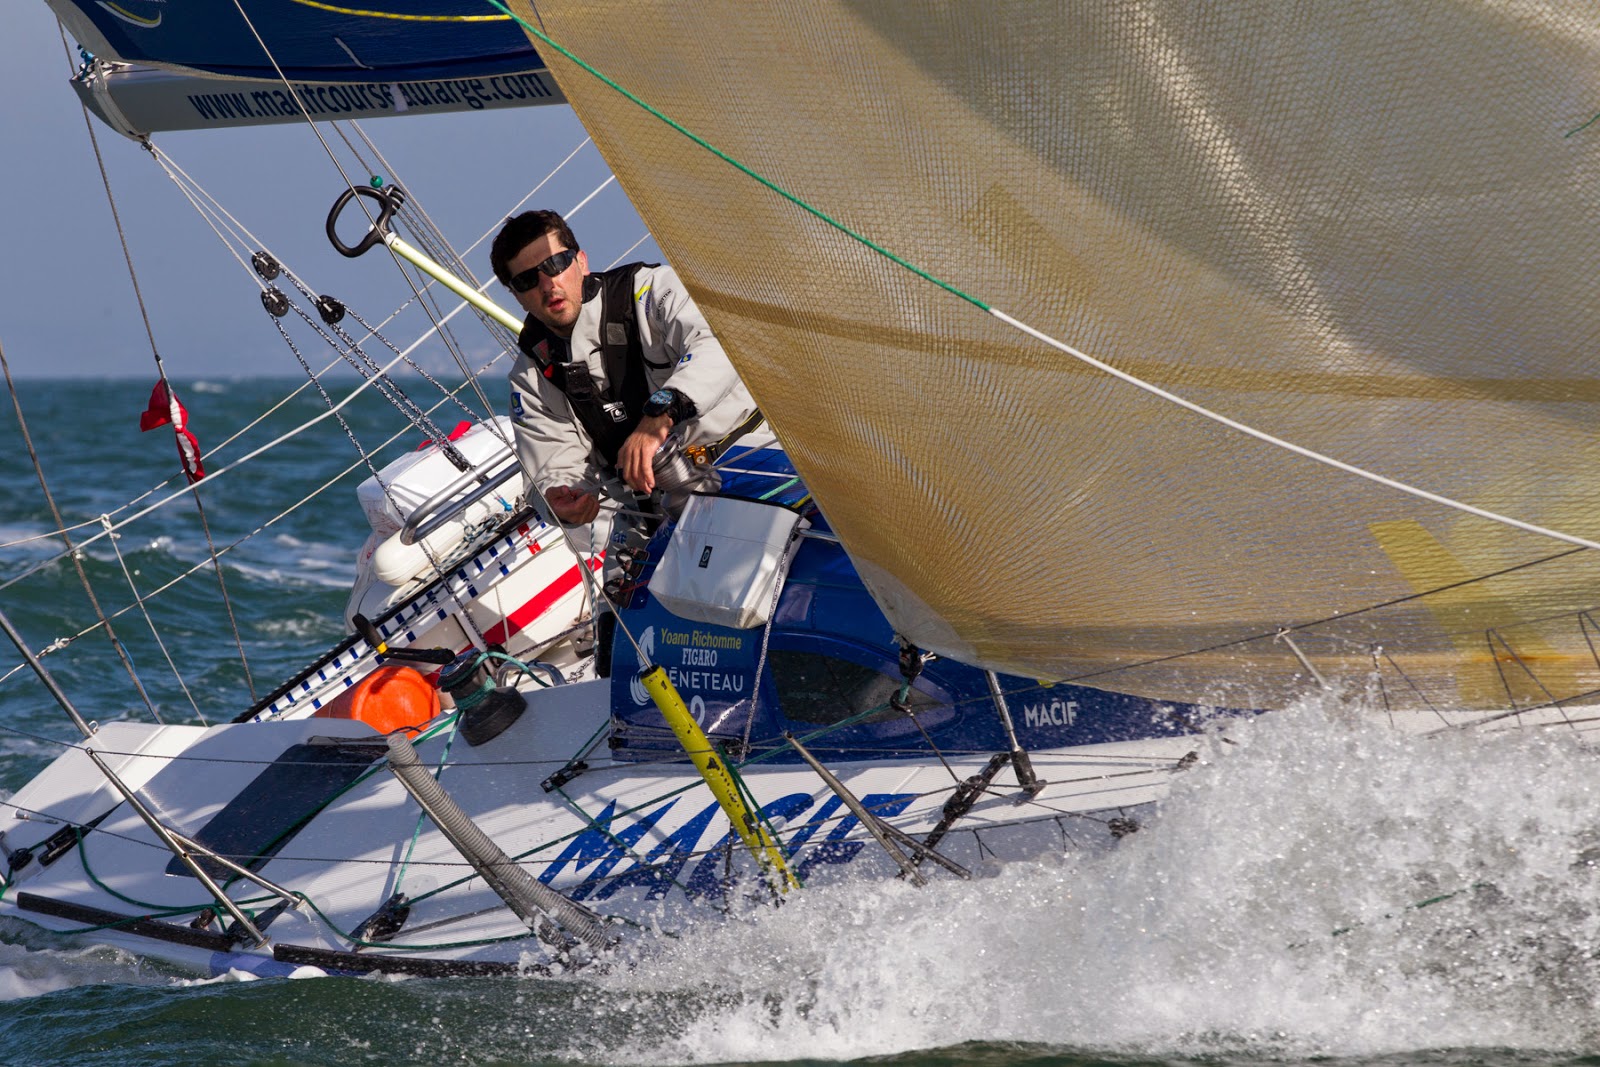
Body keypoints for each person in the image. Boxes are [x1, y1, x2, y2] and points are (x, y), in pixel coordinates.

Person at [491, 210, 761, 529]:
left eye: (556, 264)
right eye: (527, 279)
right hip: (653, 513)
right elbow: (551, 460)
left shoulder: (650, 292)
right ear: (516, 296)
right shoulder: (531, 376)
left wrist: (660, 414)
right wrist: (557, 498)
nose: (548, 284)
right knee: (623, 580)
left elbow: (721, 344)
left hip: (752, 463)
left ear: (580, 262)